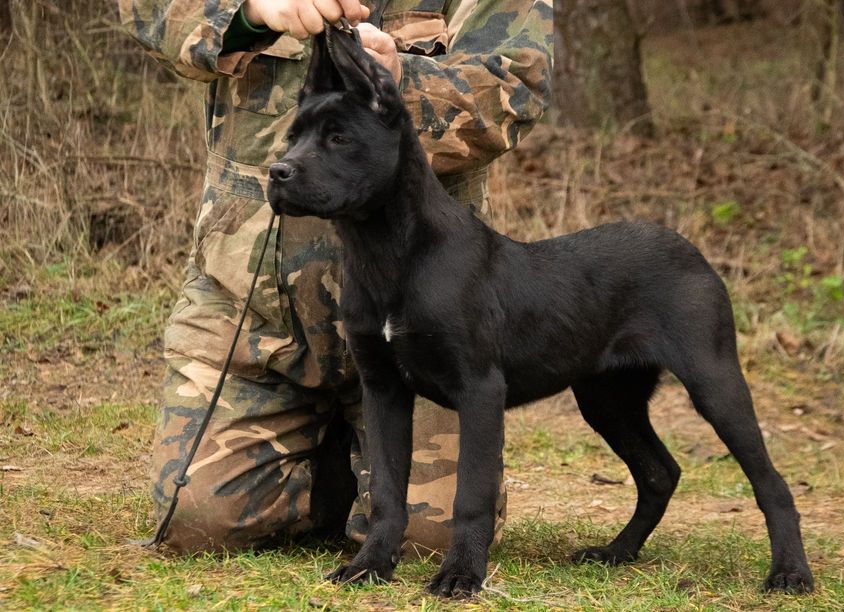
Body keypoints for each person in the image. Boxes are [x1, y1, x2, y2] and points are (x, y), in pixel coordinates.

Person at [119, 0, 553, 554]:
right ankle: (330, 463)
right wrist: (247, 11)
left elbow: (519, 85)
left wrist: (398, 86)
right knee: (198, 520)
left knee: (428, 541)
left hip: (427, 325)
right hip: (253, 320)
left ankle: (359, 455)